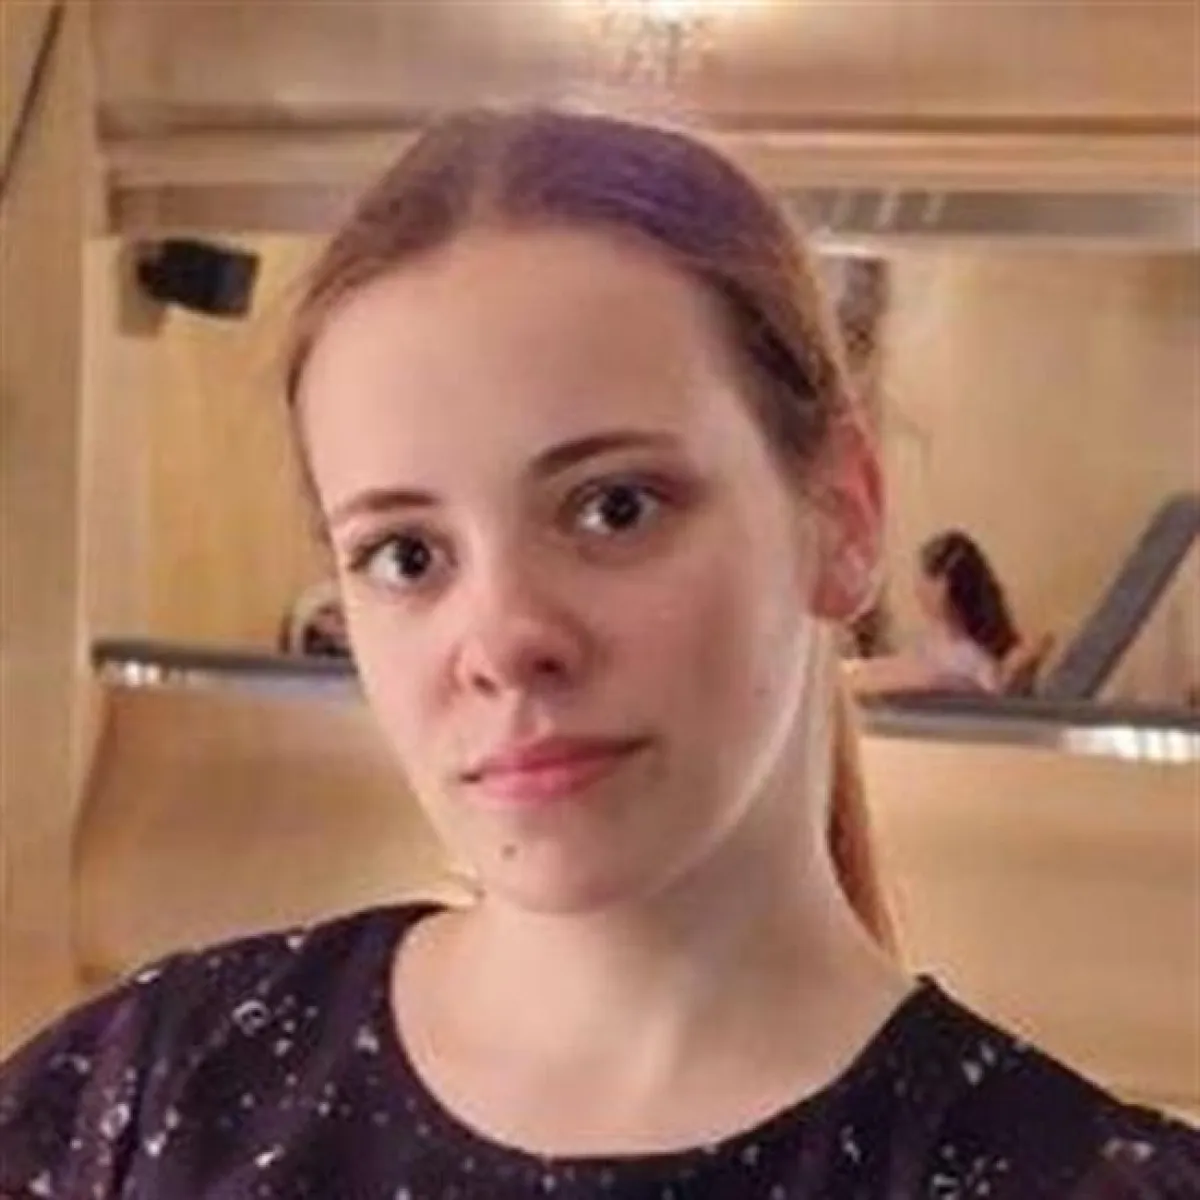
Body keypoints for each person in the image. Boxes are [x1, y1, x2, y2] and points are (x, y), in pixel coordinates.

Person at [1, 106, 1196, 1198]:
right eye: (406, 555)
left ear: (842, 519)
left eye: (614, 507)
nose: (503, 642)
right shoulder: (143, 1094)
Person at [844, 529, 1023, 697]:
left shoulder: (970, 658)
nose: (917, 587)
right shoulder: (933, 646)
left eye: (924, 578)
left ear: (942, 586)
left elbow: (978, 688)